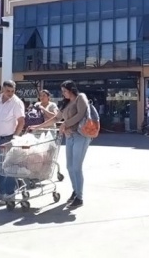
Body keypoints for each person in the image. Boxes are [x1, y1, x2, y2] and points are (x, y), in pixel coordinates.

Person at [0, 80, 25, 201]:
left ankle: (9, 193)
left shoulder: (17, 103)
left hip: (7, 139)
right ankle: (1, 191)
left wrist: (14, 138)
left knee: (8, 168)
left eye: (13, 91)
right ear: (3, 89)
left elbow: (21, 121)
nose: (10, 93)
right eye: (8, 91)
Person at [53, 80, 91, 209]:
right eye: (62, 91)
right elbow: (56, 118)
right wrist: (37, 126)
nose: (63, 94)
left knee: (76, 167)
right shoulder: (65, 103)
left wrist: (65, 124)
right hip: (69, 137)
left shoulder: (81, 97)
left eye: (65, 91)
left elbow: (81, 114)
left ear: (71, 89)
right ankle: (76, 191)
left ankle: (79, 197)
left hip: (81, 136)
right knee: (69, 166)